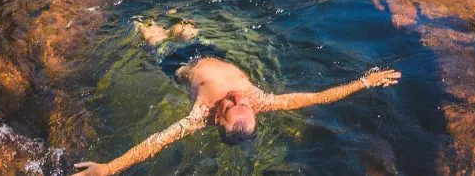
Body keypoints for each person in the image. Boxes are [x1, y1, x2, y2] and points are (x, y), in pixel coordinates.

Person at [73, 60, 402, 175]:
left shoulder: (199, 115)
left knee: (155, 35)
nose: (238, 96)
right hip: (209, 48)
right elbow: (317, 97)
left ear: (218, 119)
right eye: (239, 101)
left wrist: (109, 168)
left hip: (180, 64)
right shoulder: (259, 101)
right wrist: (364, 82)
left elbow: (154, 143)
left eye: (233, 104)